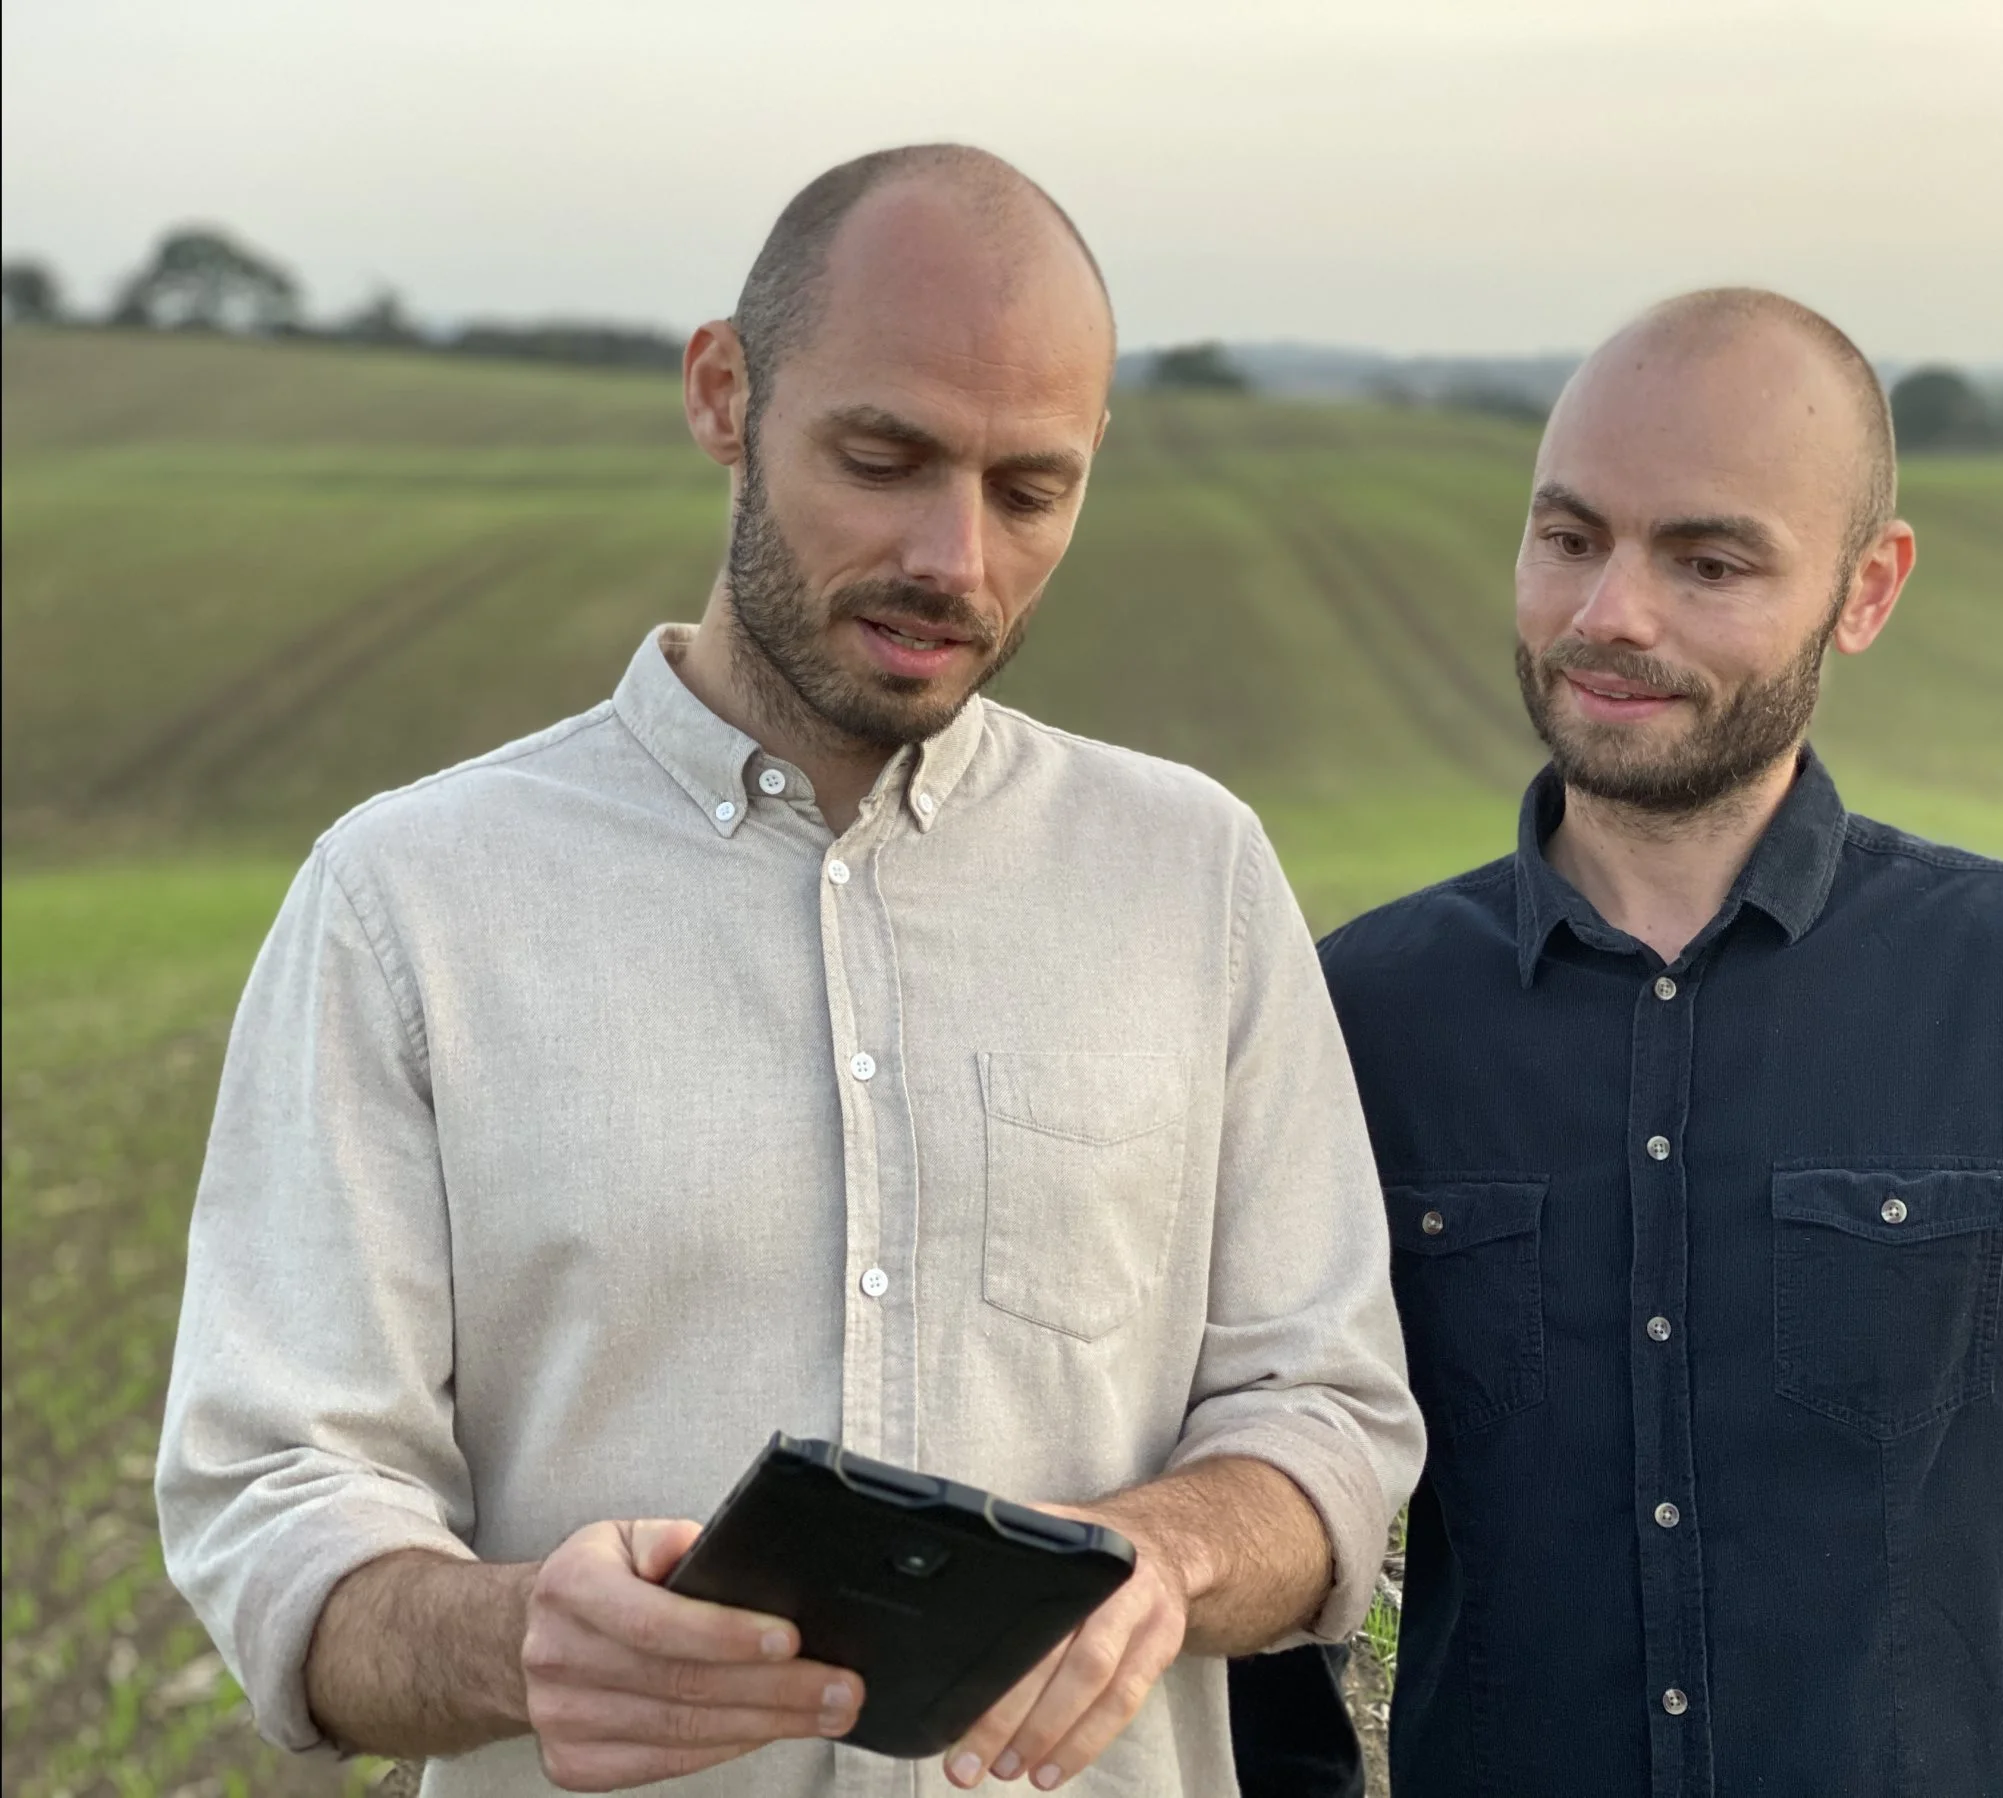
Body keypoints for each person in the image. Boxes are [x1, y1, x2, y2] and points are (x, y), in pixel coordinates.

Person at [156, 143, 1423, 1798]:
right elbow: (278, 1497)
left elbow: (1321, 1409)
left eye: (1029, 489)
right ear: (722, 393)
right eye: (883, 457)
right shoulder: (408, 901)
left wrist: (1159, 1559)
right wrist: (517, 1635)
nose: (952, 559)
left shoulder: (1198, 878)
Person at [1248, 289, 2003, 1794]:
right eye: (1569, 536)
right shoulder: (1352, 1018)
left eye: (1707, 559)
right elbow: (1276, 1554)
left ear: (1867, 589)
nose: (1611, 614)